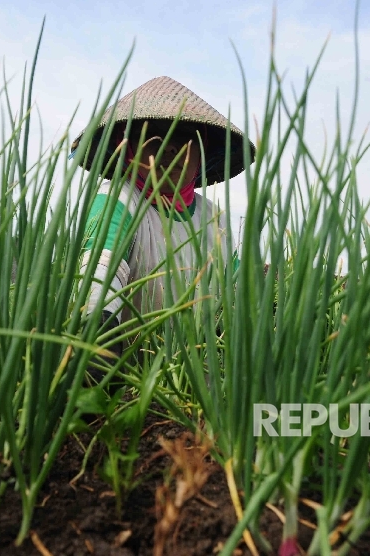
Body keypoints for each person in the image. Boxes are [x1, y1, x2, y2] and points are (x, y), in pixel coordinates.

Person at [68, 76, 256, 377]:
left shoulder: (214, 218)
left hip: (196, 370)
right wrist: (99, 338)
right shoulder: (118, 199)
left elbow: (234, 290)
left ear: (202, 151)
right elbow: (100, 274)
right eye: (153, 136)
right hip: (128, 368)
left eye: (184, 138)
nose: (170, 149)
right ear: (127, 148)